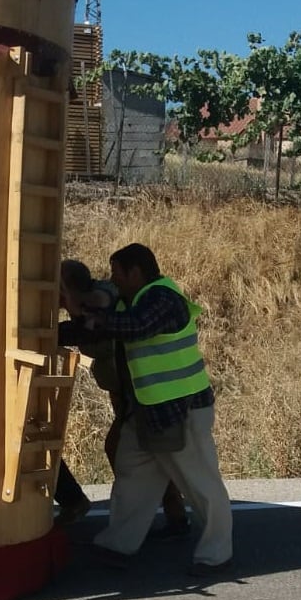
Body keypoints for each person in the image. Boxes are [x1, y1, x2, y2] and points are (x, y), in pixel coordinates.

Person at [87, 243, 233, 577]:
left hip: (182, 411)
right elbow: (110, 312)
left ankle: (217, 555)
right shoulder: (134, 299)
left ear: (135, 272)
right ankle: (117, 545)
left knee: (201, 485)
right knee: (132, 473)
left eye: (117, 273)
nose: (114, 280)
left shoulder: (164, 299)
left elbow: (135, 326)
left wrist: (99, 319)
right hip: (148, 412)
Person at [56, 260, 189, 536]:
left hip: (139, 394)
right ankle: (169, 516)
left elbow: (96, 323)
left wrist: (75, 308)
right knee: (146, 454)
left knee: (131, 452)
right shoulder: (86, 306)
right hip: (127, 394)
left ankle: (136, 527)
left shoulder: (100, 303)